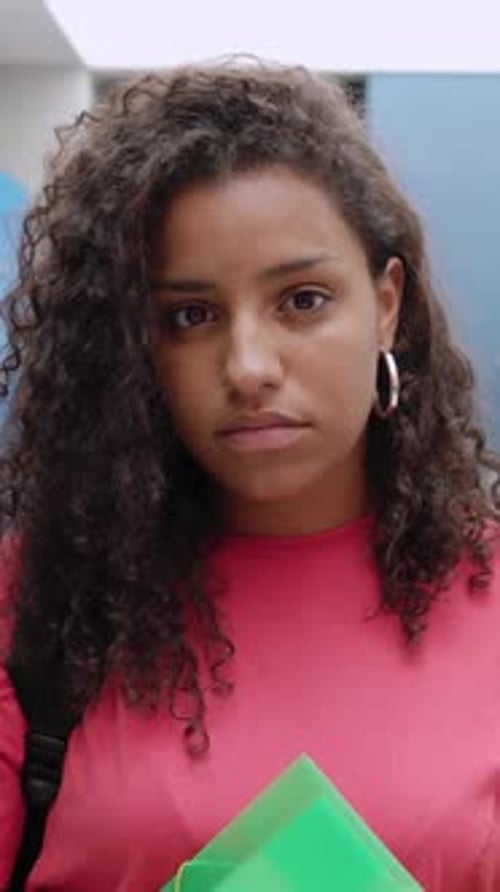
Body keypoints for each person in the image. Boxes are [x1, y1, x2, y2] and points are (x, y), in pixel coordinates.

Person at [0, 60, 499, 892]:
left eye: (301, 300)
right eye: (189, 316)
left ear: (385, 302)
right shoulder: (38, 604)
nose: (249, 365)